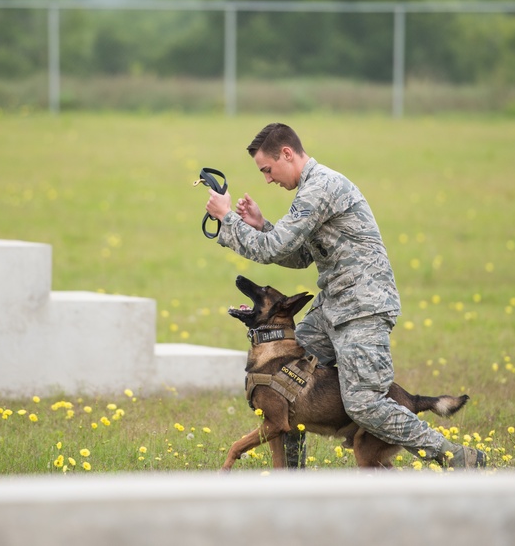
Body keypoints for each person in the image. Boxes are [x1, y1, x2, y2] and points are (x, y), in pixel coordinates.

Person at [205, 122, 485, 469]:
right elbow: (300, 255)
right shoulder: (312, 190)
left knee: (364, 404)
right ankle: (290, 479)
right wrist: (261, 226)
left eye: (267, 169)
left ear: (287, 154)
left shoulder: (321, 187)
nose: (267, 179)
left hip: (363, 307)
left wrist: (228, 220)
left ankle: (459, 458)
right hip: (334, 305)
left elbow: (274, 249)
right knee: (284, 382)